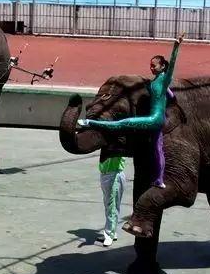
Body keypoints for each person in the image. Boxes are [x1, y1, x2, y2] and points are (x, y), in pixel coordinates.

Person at [77, 31, 185, 190]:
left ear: (162, 66)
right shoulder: (158, 81)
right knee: (158, 149)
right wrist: (172, 99)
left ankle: (90, 122)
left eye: (154, 65)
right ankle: (159, 180)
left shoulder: (164, 78)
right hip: (158, 119)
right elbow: (170, 95)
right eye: (150, 65)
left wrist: (176, 45)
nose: (151, 68)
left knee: (122, 124)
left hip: (154, 119)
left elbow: (172, 64)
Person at [97, 153, 126, 246]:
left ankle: (109, 234)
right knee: (108, 205)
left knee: (112, 206)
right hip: (105, 174)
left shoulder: (118, 145)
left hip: (114, 174)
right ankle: (111, 231)